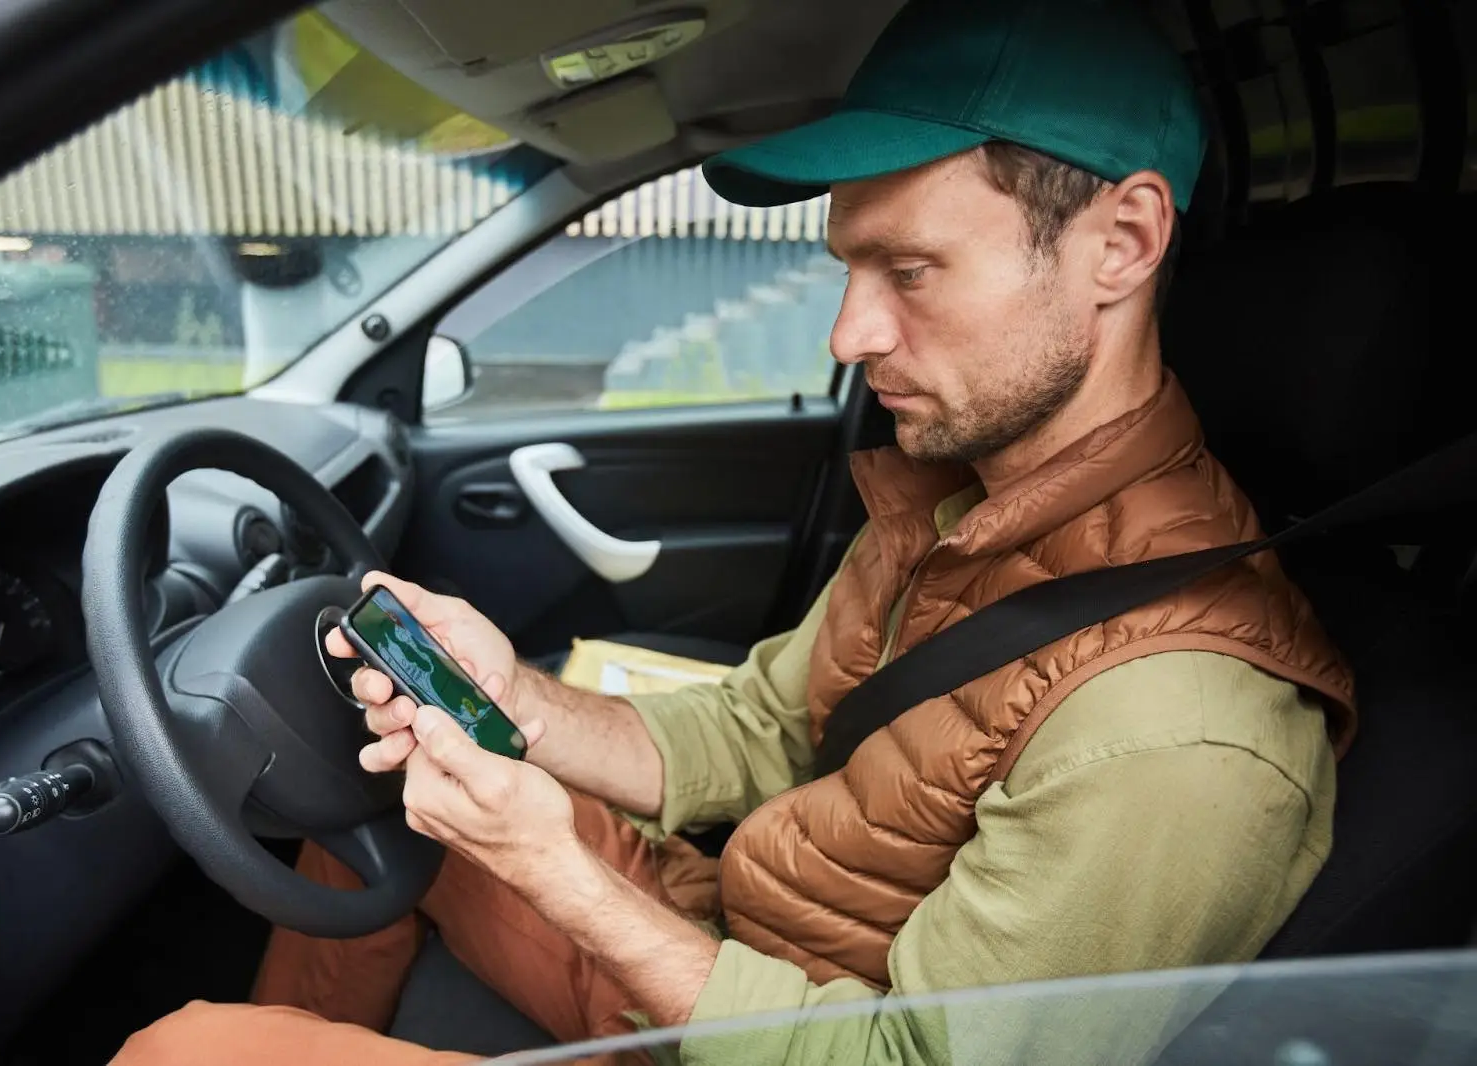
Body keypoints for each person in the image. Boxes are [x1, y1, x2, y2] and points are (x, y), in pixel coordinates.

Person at [114, 0, 1357, 1063]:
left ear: (1122, 243)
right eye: (847, 273)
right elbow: (767, 724)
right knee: (380, 797)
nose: (849, 336)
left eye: (910, 271)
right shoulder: (970, 504)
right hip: (723, 940)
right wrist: (520, 706)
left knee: (175, 1050)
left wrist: (562, 877)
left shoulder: (1181, 727)